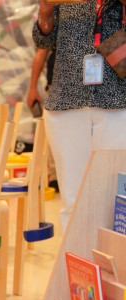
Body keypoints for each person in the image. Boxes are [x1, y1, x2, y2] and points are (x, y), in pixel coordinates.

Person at [34, 0, 126, 228]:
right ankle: (74, 262)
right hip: (66, 102)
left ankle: (112, 262)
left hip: (118, 101)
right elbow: (43, 40)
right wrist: (45, 11)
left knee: (116, 198)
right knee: (72, 200)